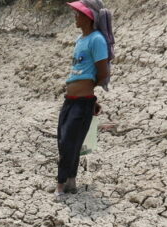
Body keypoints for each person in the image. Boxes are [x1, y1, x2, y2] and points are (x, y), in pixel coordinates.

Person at [56, 0, 111, 197]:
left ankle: (60, 185)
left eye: (78, 14)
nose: (75, 17)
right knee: (64, 141)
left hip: (82, 101)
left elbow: (102, 73)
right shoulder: (80, 40)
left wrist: (88, 95)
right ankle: (71, 180)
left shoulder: (96, 40)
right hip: (70, 100)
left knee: (71, 142)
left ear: (88, 18)